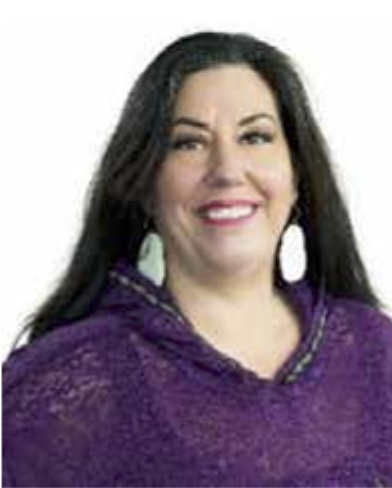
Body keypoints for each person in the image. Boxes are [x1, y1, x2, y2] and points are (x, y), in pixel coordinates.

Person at [2, 31, 392, 487]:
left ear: (298, 175)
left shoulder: (377, 355)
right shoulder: (67, 384)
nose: (227, 170)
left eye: (256, 136)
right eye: (188, 143)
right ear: (144, 184)